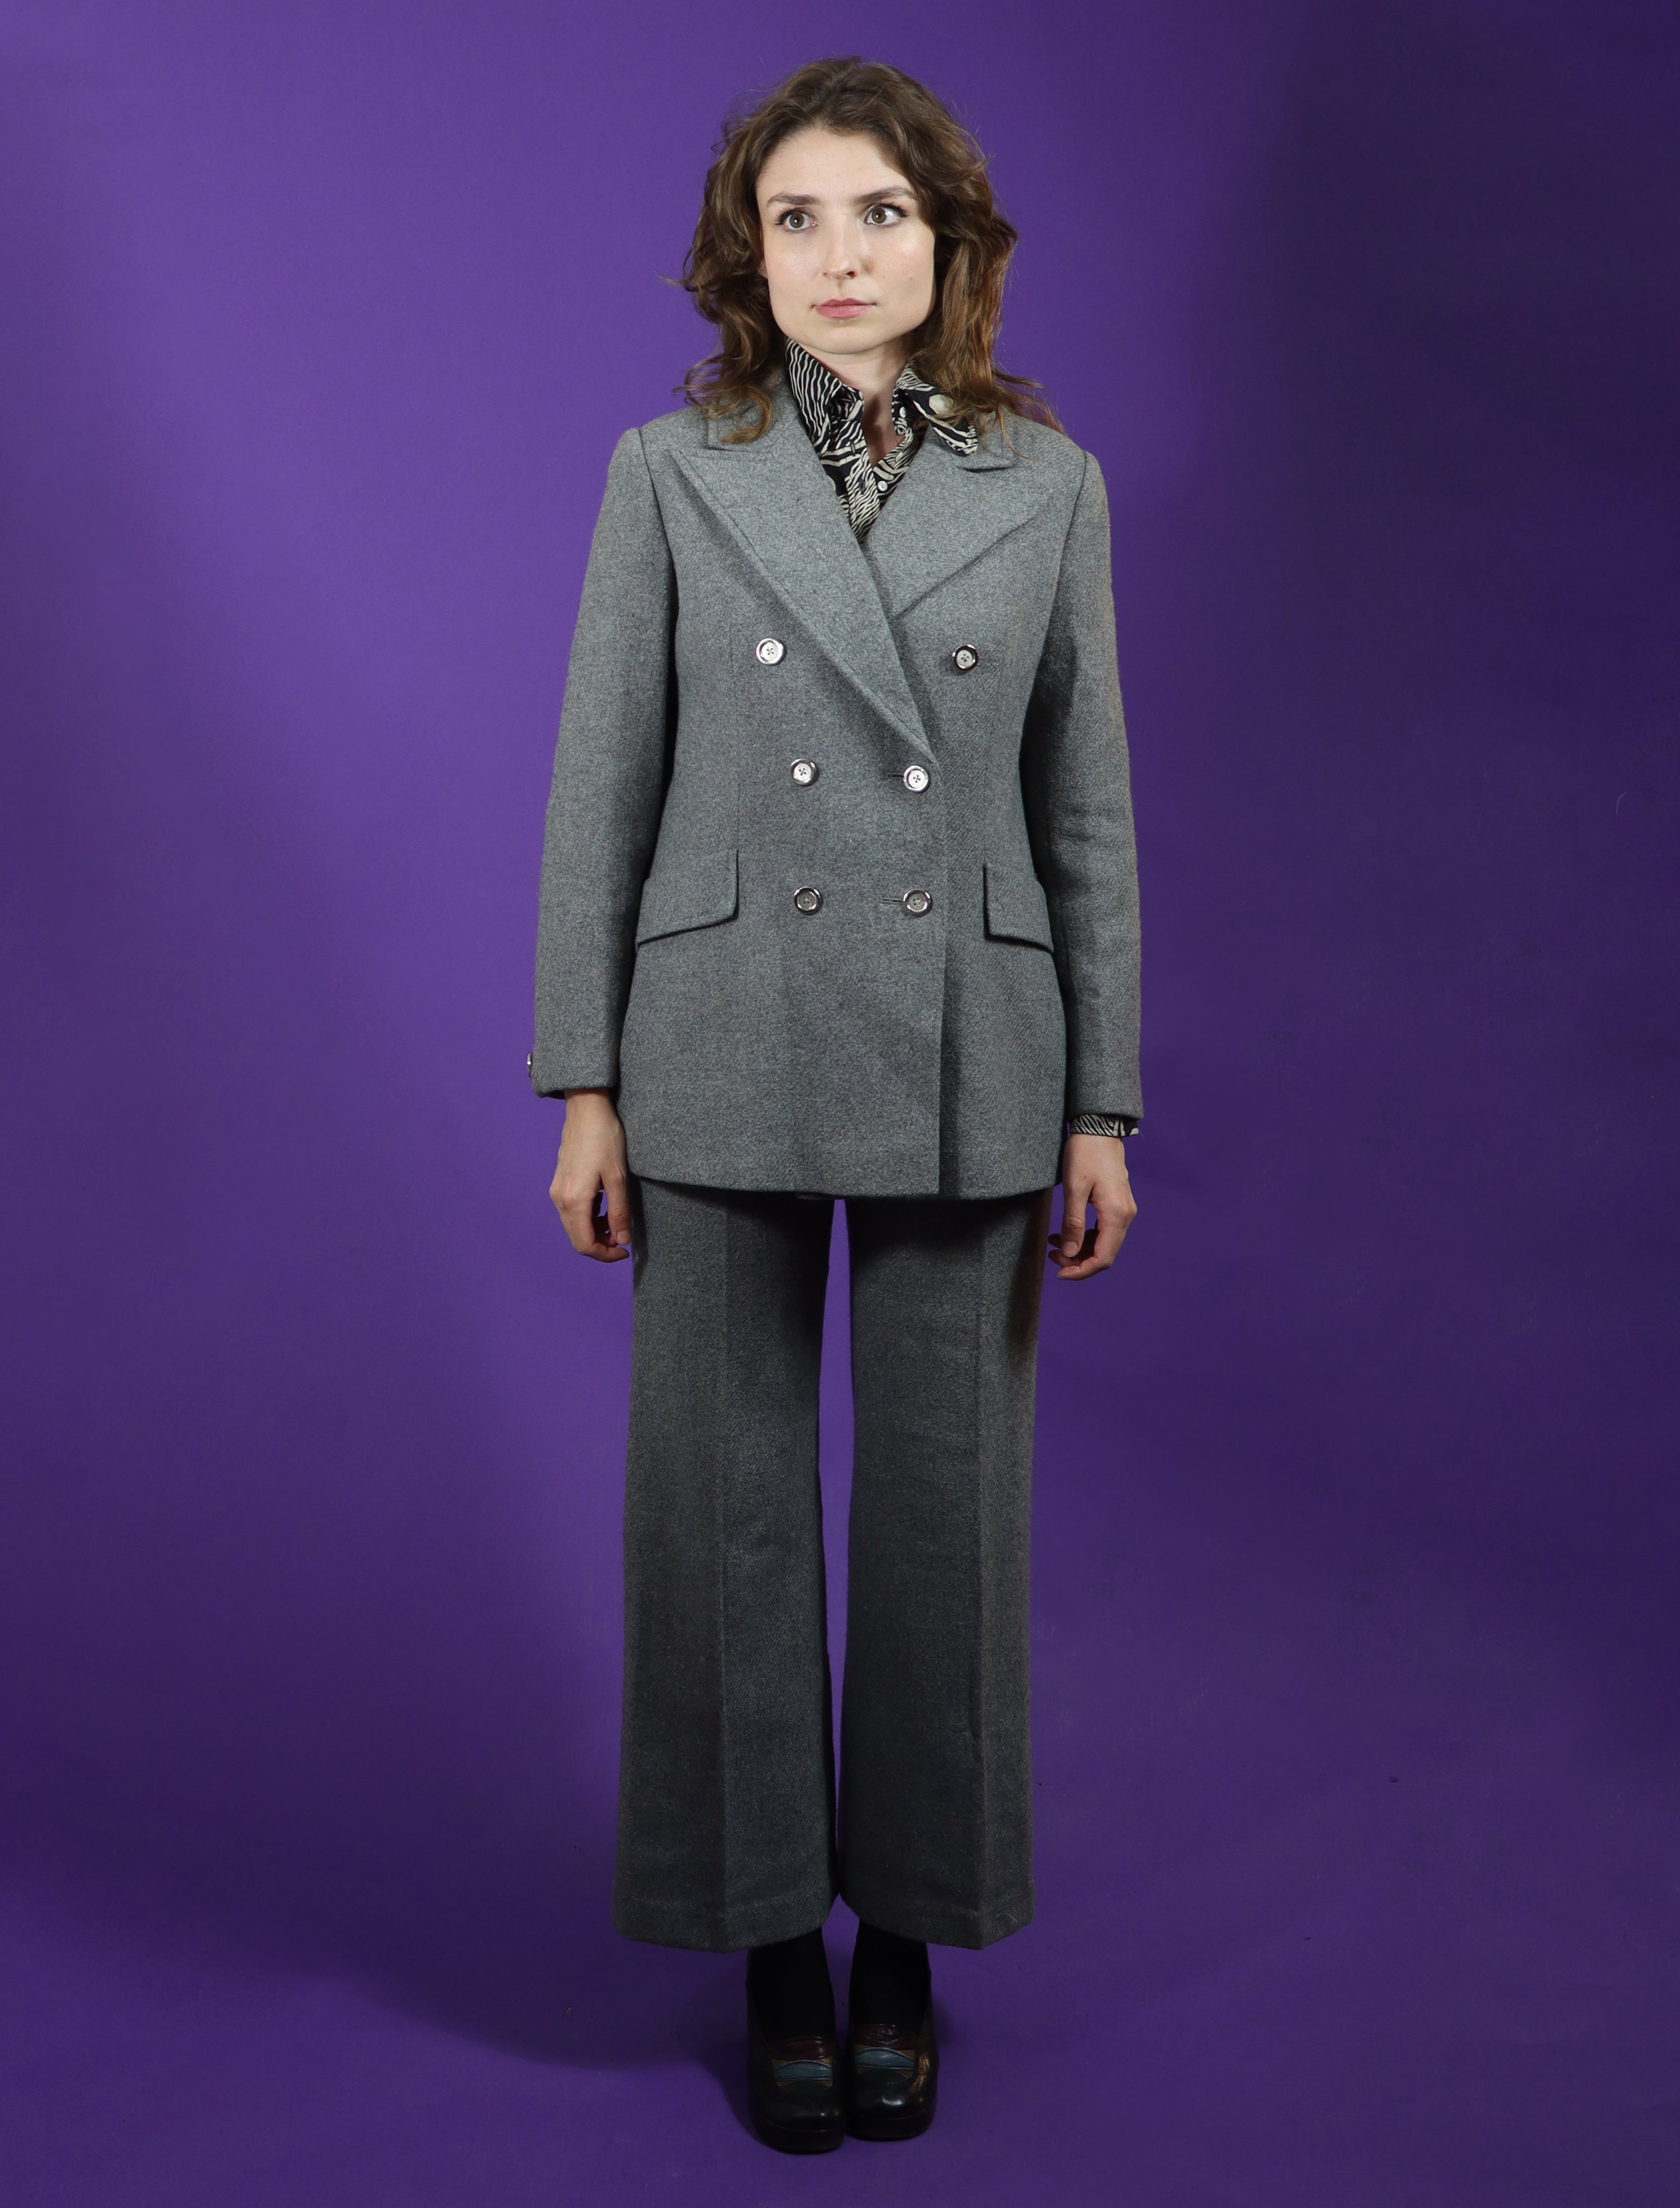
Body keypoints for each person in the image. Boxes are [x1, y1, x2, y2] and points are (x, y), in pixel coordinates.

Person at [530, 56, 1140, 2152]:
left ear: (950, 244)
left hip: (973, 1039)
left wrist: (1103, 1102)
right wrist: (586, 1082)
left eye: (882, 212)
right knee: (719, 1514)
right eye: (798, 217)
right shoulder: (668, 472)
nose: (841, 254)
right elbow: (598, 792)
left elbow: (1087, 815)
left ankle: (907, 1945)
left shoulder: (1048, 488)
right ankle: (770, 1937)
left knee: (948, 1519)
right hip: (720, 1030)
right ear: (750, 254)